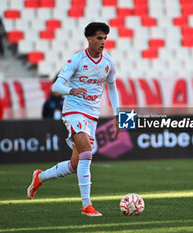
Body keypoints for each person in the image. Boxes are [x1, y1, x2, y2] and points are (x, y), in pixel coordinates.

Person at [27, 22, 120, 217]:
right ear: (89, 39)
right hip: (74, 111)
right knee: (87, 153)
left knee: (75, 165)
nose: (103, 42)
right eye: (99, 38)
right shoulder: (76, 60)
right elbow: (56, 86)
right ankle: (87, 206)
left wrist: (117, 113)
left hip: (92, 115)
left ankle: (39, 177)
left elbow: (112, 87)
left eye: (105, 38)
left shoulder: (108, 63)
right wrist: (71, 90)